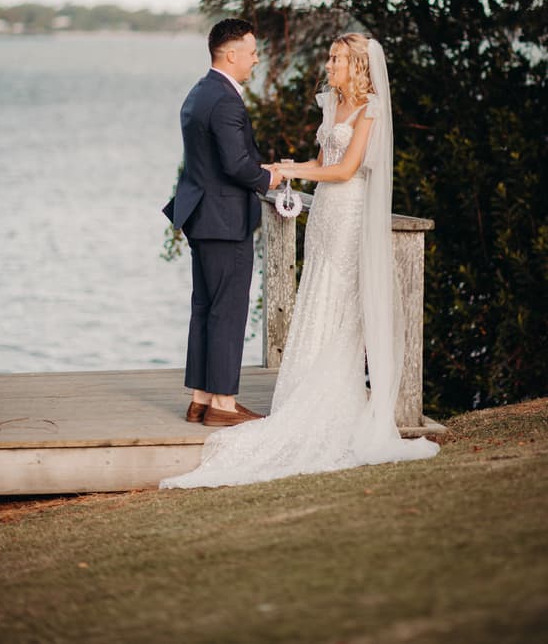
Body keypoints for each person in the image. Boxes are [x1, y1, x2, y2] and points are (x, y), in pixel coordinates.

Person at [160, 32, 439, 489]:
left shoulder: (370, 109)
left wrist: (286, 171)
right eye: (330, 56)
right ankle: (223, 402)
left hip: (346, 211)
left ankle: (226, 399)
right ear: (231, 54)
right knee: (309, 296)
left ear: (359, 66)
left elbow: (346, 169)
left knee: (333, 302)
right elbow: (310, 157)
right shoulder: (329, 102)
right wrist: (280, 171)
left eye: (336, 59)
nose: (328, 64)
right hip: (321, 211)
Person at [163, 19, 283, 428]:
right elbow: (234, 165)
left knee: (205, 307)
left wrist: (252, 168)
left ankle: (200, 399)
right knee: (228, 311)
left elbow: (212, 160)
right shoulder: (227, 100)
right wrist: (268, 177)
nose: (255, 59)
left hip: (201, 215)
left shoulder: (200, 92)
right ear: (230, 54)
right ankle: (224, 406)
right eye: (251, 51)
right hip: (225, 218)